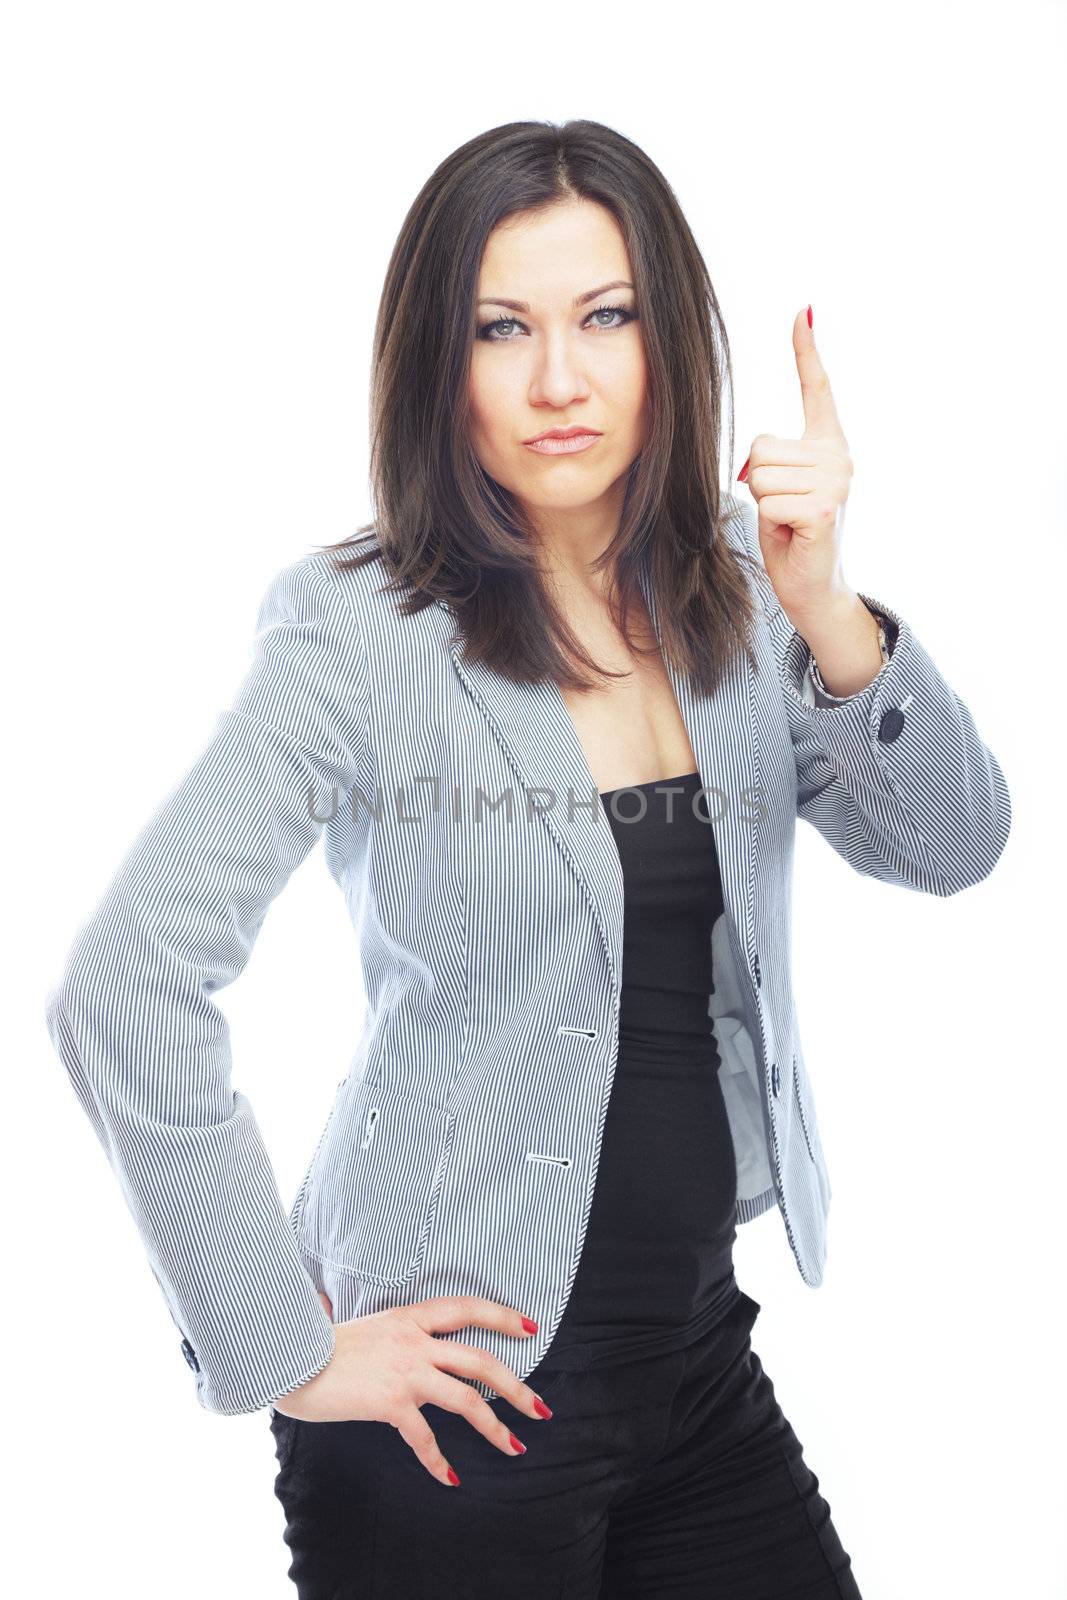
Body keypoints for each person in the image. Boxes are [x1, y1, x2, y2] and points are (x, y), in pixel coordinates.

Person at [44, 119, 1011, 1599]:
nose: (560, 379)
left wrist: (832, 614)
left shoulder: (750, 594)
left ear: (667, 341)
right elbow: (126, 983)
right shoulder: (358, 634)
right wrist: (281, 1349)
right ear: (442, 364)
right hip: (455, 1418)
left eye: (604, 317)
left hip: (696, 1369)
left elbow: (958, 848)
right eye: (504, 328)